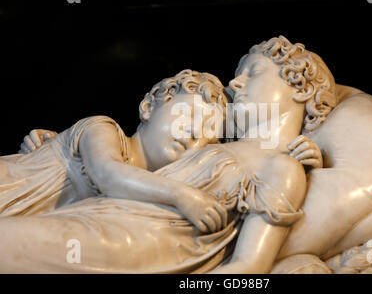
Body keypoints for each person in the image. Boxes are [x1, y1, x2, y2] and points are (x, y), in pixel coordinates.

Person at [0, 36, 335, 273]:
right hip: (89, 216)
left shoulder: (284, 166)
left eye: (254, 72)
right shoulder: (217, 148)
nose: (235, 83)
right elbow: (115, 167)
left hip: (124, 243)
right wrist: (57, 146)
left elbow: (248, 268)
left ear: (301, 87)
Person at [0, 69, 232, 233]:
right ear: (148, 107)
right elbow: (108, 174)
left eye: (206, 135)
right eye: (188, 114)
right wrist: (184, 197)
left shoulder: (147, 197)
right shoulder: (103, 128)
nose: (193, 133)